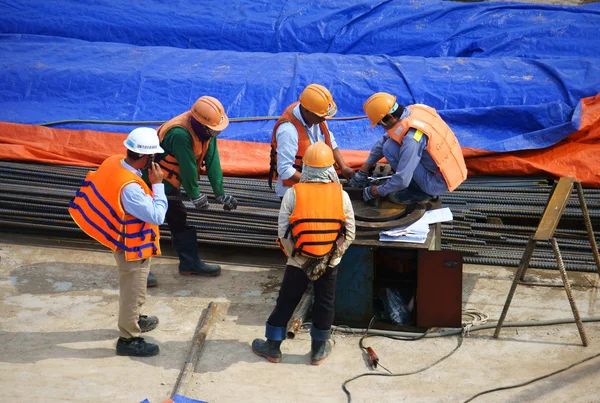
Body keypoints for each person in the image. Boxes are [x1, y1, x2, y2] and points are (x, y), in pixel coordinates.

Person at [253, 142, 355, 365]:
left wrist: (297, 257)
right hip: (330, 261)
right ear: (330, 168)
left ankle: (272, 347)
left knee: (287, 301)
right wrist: (332, 257)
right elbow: (349, 233)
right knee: (325, 303)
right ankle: (318, 350)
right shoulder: (342, 195)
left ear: (305, 167)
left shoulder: (293, 193)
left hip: (298, 260)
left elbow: (283, 233)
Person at [69, 128, 167, 357]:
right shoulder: (131, 188)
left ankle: (136, 319)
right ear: (146, 158)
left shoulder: (114, 162)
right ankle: (128, 339)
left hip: (123, 240)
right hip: (132, 249)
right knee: (132, 293)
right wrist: (158, 184)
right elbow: (157, 216)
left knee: (138, 287)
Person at [147, 96, 238, 286]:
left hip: (170, 184)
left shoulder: (207, 132)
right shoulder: (180, 134)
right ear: (200, 124)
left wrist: (220, 193)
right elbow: (187, 166)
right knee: (145, 224)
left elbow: (213, 161)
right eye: (213, 130)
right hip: (151, 182)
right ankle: (138, 270)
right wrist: (195, 195)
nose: (215, 133)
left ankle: (189, 263)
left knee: (179, 220)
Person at [349, 92, 468, 204]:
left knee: (390, 149)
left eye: (381, 124)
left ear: (390, 117)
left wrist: (376, 191)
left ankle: (418, 192)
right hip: (451, 169)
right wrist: (364, 169)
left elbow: (402, 179)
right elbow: (384, 140)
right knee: (389, 145)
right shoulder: (414, 111)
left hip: (436, 183)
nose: (383, 128)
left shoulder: (412, 138)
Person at [269, 83, 355, 198]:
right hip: (295, 193)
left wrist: (343, 167)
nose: (324, 119)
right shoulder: (288, 131)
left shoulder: (317, 115)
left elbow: (330, 141)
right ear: (307, 111)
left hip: (318, 186)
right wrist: (315, 183)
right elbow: (284, 169)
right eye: (321, 116)